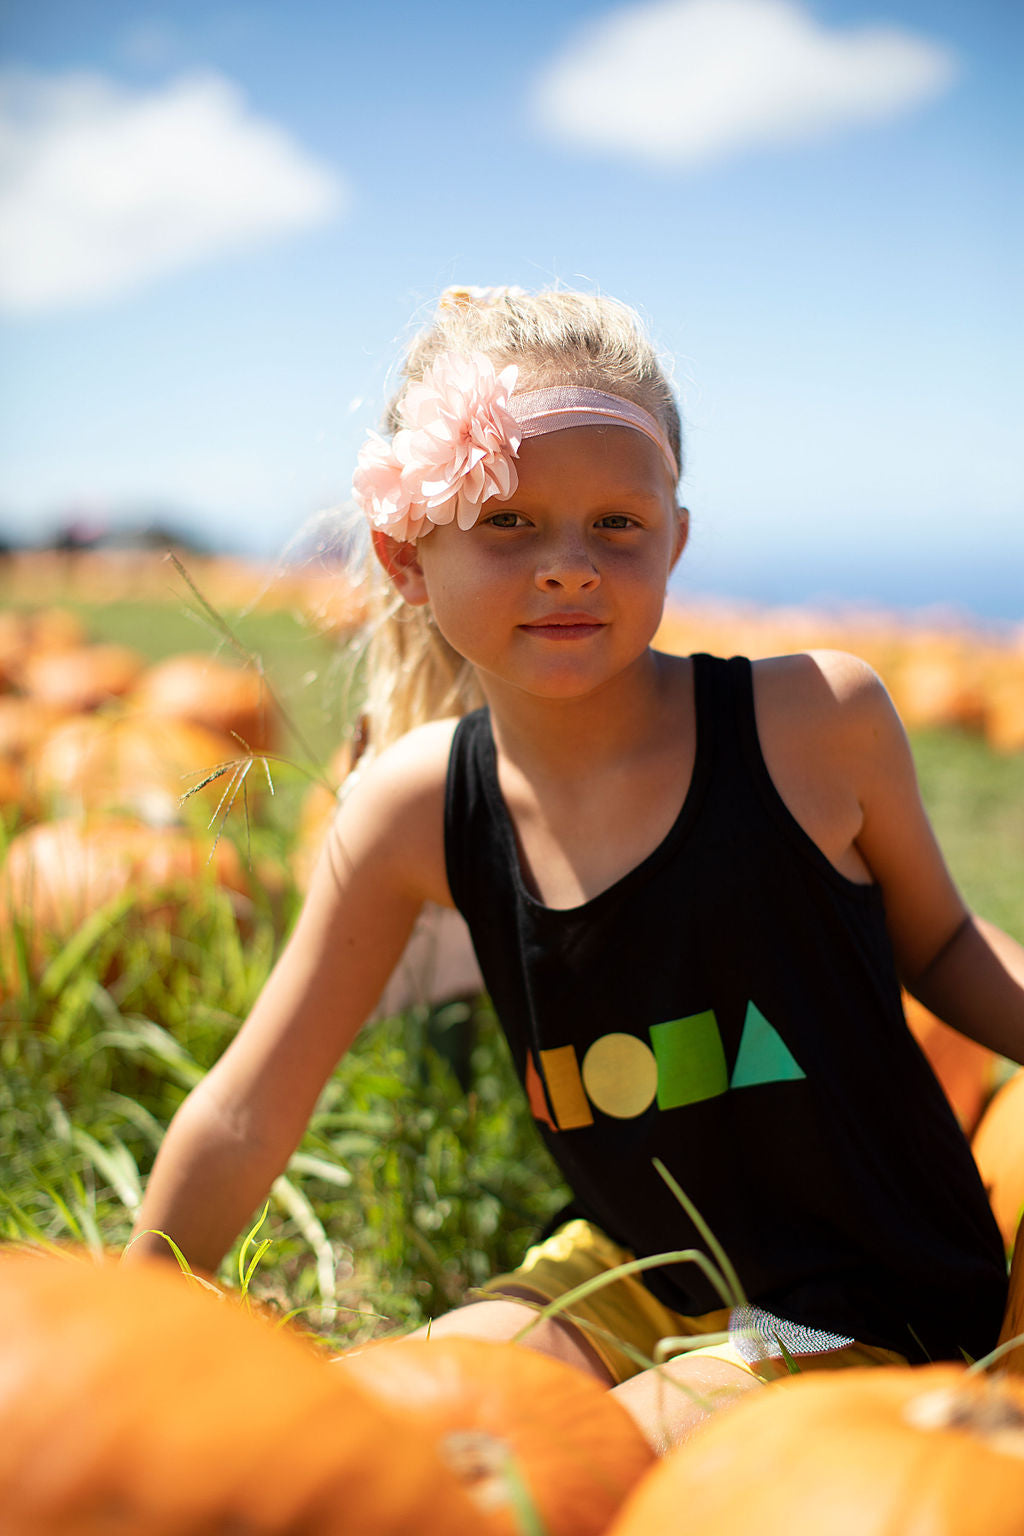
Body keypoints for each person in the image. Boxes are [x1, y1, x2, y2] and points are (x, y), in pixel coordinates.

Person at [130, 284, 1024, 1451]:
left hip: (864, 1285)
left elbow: (945, 945)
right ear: (409, 558)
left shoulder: (813, 721)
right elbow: (254, 1105)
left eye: (616, 524)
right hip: (627, 1259)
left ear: (674, 540)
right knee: (389, 1429)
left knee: (611, 1456)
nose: (567, 565)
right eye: (507, 523)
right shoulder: (411, 806)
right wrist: (136, 1313)